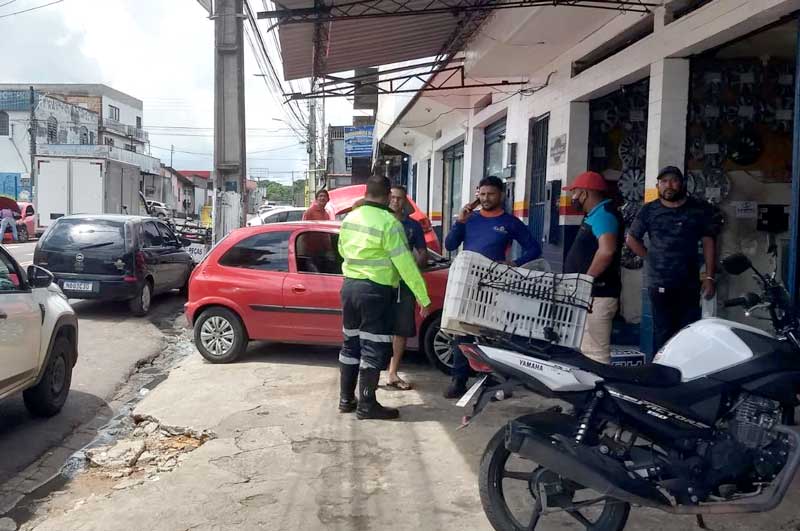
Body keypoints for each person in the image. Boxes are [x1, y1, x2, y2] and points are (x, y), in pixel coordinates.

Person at [338, 175, 432, 420]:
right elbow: (405, 263)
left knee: (350, 344)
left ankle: (346, 399)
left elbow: (341, 250)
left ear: (367, 192)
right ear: (389, 195)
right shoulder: (390, 223)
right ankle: (367, 405)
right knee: (372, 348)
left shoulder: (350, 218)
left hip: (349, 288)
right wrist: (422, 295)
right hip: (375, 292)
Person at [443, 175, 542, 399]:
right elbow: (449, 245)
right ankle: (459, 380)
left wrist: (513, 264)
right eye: (482, 194)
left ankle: (496, 382)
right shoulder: (470, 218)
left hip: (496, 286)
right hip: (467, 284)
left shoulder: (510, 222)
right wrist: (460, 221)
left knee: (495, 335)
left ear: (502, 195)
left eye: (491, 194)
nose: (486, 198)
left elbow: (534, 249)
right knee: (462, 333)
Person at [626, 165, 717, 352]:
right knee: (663, 332)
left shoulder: (697, 209)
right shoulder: (649, 210)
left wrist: (709, 276)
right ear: (658, 185)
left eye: (674, 181)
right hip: (659, 282)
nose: (669, 185)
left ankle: (685, 375)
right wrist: (650, 258)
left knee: (689, 331)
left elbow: (709, 241)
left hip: (689, 283)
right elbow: (631, 239)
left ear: (682, 184)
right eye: (664, 181)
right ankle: (661, 375)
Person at [563, 171, 623, 364]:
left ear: (584, 193)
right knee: (586, 349)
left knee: (595, 353)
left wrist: (586, 281)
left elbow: (606, 251)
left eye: (574, 193)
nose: (572, 198)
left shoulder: (604, 216)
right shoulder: (594, 215)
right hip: (590, 297)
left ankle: (599, 391)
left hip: (598, 295)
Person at [386, 185, 428, 391]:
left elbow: (422, 253)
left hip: (404, 285)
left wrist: (418, 261)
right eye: (392, 197)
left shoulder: (413, 226)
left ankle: (393, 372)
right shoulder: (380, 222)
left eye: (400, 198)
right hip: (382, 283)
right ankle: (374, 372)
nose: (396, 201)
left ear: (405, 202)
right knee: (378, 329)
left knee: (401, 329)